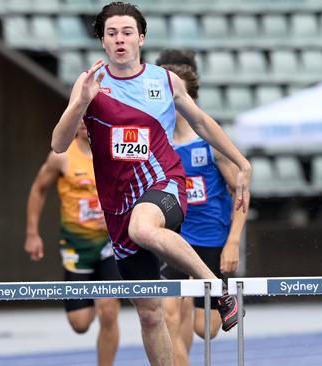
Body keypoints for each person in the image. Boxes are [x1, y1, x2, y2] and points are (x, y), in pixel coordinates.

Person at [50, 2, 251, 365]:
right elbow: (59, 143)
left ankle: (220, 291)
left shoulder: (164, 80)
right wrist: (80, 103)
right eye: (111, 34)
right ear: (102, 41)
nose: (120, 39)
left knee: (143, 227)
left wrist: (241, 160)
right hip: (117, 207)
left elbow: (203, 124)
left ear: (141, 37)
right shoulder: (90, 83)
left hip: (165, 184)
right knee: (150, 313)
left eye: (127, 32)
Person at [157, 49, 249, 366]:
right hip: (175, 238)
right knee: (168, 314)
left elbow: (241, 191)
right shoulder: (158, 141)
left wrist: (234, 240)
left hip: (211, 238)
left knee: (204, 329)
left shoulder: (209, 142)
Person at [24, 122, 121, 366]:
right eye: (82, 119)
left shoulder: (113, 154)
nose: (86, 125)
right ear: (76, 122)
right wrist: (32, 233)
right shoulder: (62, 157)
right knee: (80, 323)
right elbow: (38, 189)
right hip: (76, 247)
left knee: (108, 312)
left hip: (108, 245)